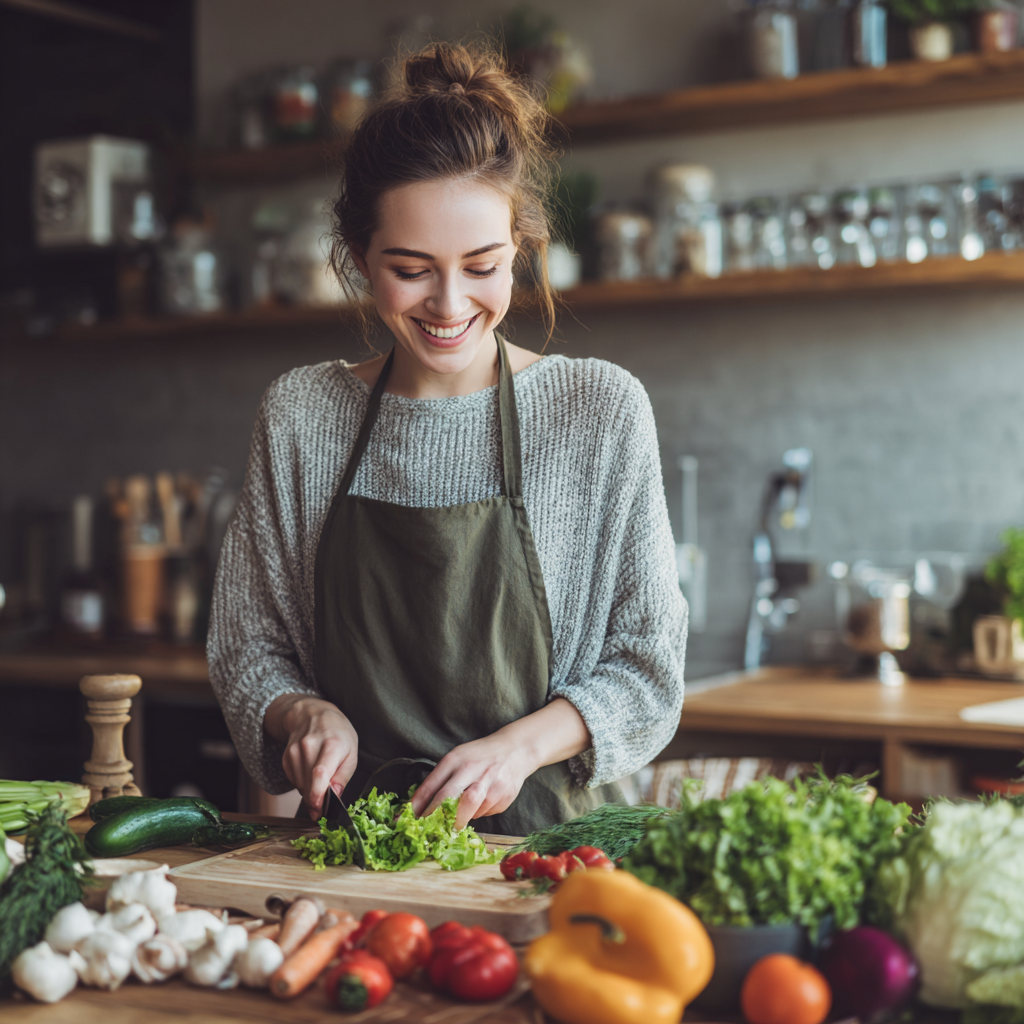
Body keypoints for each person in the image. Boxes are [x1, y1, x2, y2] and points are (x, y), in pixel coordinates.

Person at [208, 42, 687, 836]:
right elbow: (247, 648)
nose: (450, 303)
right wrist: (302, 715)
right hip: (355, 864)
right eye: (411, 269)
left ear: (518, 250)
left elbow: (647, 672)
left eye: (482, 266)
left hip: (549, 860)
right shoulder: (301, 415)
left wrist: (516, 750)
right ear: (359, 259)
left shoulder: (599, 411)